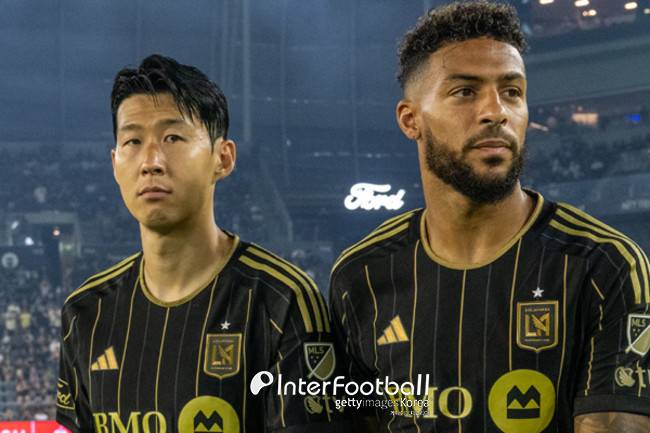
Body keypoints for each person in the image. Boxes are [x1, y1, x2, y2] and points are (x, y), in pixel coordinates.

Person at [328, 2, 650, 432]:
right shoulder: (361, 275)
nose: (496, 111)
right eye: (465, 91)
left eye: (512, 92)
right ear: (410, 119)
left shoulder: (603, 266)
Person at [56, 55, 347, 433]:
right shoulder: (85, 313)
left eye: (173, 138)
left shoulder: (281, 301)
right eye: (132, 141)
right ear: (114, 163)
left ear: (223, 158)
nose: (151, 161)